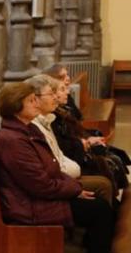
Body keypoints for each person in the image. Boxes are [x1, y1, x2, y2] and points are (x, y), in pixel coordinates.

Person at [0, 82, 115, 253]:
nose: (36, 103)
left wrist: (74, 188)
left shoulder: (26, 131)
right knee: (101, 210)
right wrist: (74, 190)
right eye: (31, 100)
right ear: (15, 106)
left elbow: (52, 169)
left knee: (97, 203)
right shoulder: (13, 140)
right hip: (29, 207)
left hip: (40, 198)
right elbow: (39, 185)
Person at [26, 75, 116, 204]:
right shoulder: (34, 126)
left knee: (106, 165)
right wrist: (82, 144)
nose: (56, 97)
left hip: (66, 172)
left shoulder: (49, 118)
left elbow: (61, 151)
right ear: (35, 100)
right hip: (55, 187)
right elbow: (48, 169)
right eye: (53, 93)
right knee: (102, 184)